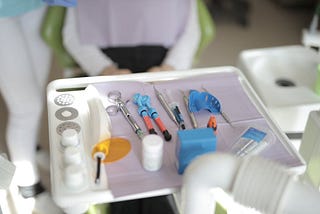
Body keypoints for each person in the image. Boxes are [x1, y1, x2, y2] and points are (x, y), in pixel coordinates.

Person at [0, 1, 62, 213]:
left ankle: (30, 148)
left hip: (35, 4)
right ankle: (28, 189)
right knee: (26, 108)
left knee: (37, 88)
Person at [62, 0, 201, 76]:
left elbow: (189, 32)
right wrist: (104, 69)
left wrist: (170, 67)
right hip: (106, 66)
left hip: (162, 65)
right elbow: (73, 35)